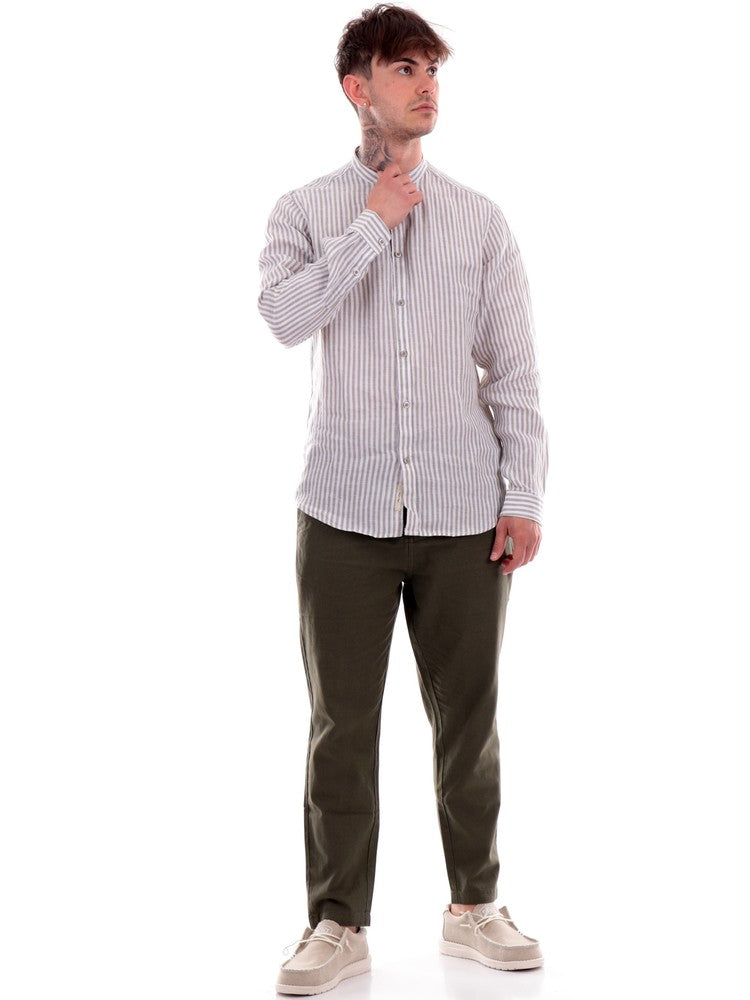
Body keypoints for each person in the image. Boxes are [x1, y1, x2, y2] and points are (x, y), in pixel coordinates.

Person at [257, 4, 549, 994]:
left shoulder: (481, 220)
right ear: (359, 87)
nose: (427, 85)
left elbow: (514, 371)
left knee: (470, 721)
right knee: (341, 725)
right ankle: (337, 921)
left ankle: (475, 906)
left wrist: (525, 493)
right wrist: (370, 228)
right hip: (341, 513)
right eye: (405, 68)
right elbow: (284, 318)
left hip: (466, 514)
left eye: (433, 68)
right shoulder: (304, 209)